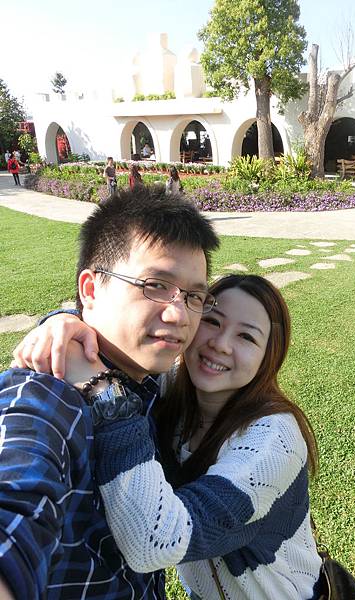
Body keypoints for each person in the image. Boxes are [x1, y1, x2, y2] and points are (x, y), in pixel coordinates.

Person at [13, 276, 323, 599]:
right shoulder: (172, 384)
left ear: (269, 356)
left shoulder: (274, 440)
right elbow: (117, 340)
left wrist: (106, 395)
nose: (220, 344)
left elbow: (156, 541)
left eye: (246, 336)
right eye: (212, 322)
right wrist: (62, 323)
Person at [0, 185, 219, 599]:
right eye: (155, 284)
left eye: (194, 296)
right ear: (91, 289)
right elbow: (17, 498)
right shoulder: (46, 398)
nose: (178, 314)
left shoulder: (149, 380)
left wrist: (62, 320)